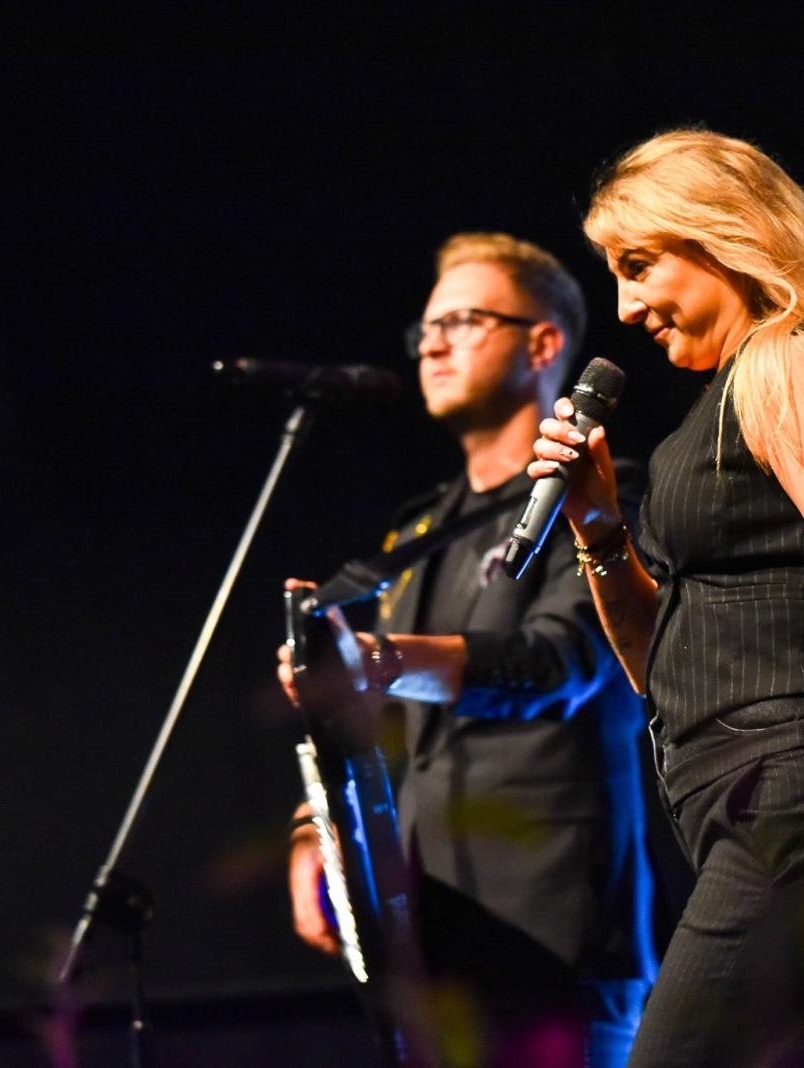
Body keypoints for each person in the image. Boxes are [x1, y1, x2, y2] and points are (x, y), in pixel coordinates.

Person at [531, 129, 804, 1066]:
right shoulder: (714, 411)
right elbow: (658, 666)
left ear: (724, 236)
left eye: (639, 265)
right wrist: (598, 528)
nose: (627, 307)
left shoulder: (789, 364)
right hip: (737, 801)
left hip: (789, 801)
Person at [279, 233, 658, 1067]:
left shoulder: (609, 492)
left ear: (543, 343)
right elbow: (376, 725)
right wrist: (317, 832)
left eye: (464, 320)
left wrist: (379, 657)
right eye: (425, 330)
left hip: (554, 945)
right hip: (432, 950)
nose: (434, 344)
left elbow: (563, 661)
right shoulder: (415, 531)